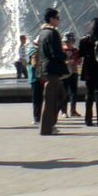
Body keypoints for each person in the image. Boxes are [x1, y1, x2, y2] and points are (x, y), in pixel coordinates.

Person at [38, 8, 68, 136]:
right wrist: (66, 55)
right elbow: (56, 53)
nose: (59, 20)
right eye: (57, 18)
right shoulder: (53, 33)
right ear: (51, 19)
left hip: (45, 69)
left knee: (60, 95)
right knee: (51, 99)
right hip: (52, 70)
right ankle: (47, 128)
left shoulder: (42, 33)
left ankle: (50, 125)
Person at [78, 18, 98, 127]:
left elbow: (80, 54)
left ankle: (88, 119)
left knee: (89, 94)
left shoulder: (84, 39)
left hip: (88, 68)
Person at [61, 32, 81, 117]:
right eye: (66, 41)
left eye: (69, 41)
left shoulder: (75, 50)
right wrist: (65, 62)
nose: (67, 43)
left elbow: (79, 60)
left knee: (73, 92)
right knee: (64, 92)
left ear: (73, 42)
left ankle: (73, 111)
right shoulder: (61, 50)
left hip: (74, 72)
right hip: (64, 73)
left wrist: (74, 61)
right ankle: (64, 111)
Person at [26, 38, 43, 125]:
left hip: (33, 78)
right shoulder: (35, 52)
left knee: (37, 99)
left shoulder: (30, 50)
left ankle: (37, 117)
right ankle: (37, 118)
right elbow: (34, 64)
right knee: (38, 99)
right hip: (37, 78)